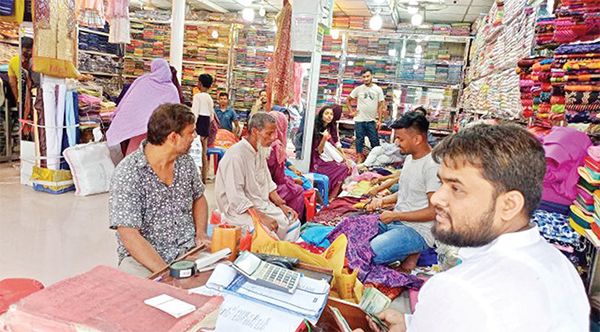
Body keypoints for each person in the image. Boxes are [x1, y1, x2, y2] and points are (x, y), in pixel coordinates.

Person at [358, 124, 589, 332]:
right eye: (442, 183)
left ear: (509, 205)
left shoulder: (460, 289)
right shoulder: (559, 265)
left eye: (456, 188)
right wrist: (412, 325)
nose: (437, 198)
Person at [109, 104, 211, 278]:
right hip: (144, 259)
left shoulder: (185, 163)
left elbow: (199, 198)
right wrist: (166, 273)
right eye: (191, 132)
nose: (195, 137)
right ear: (173, 137)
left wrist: (201, 233)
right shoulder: (128, 172)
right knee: (145, 297)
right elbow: (129, 235)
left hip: (186, 250)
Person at [366, 113, 439, 271]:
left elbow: (434, 212)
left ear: (417, 139)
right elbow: (407, 193)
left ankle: (411, 253)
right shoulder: (411, 159)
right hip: (396, 222)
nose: (397, 143)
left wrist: (395, 215)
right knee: (351, 234)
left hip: (416, 230)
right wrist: (382, 201)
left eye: (400, 139)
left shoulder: (432, 166)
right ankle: (405, 255)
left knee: (371, 253)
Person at [215, 113, 300, 241]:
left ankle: (282, 257)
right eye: (269, 133)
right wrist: (260, 217)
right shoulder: (236, 156)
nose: (273, 138)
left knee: (294, 223)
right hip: (238, 212)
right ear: (255, 131)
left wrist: (281, 205)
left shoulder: (259, 150)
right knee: (267, 234)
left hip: (261, 205)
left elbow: (268, 181)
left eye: (274, 133)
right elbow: (236, 198)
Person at [106, 58, 181, 156]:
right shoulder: (171, 89)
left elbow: (129, 100)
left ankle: (131, 170)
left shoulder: (144, 81)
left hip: (138, 127)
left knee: (134, 155)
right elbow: (177, 112)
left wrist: (119, 112)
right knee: (155, 157)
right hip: (160, 130)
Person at [267, 111, 305, 217]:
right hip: (269, 188)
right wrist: (292, 180)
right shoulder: (276, 146)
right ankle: (292, 219)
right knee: (298, 190)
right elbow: (279, 179)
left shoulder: (262, 141)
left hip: (258, 185)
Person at [311, 105, 352, 201]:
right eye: (326, 114)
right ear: (321, 115)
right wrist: (324, 139)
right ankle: (330, 195)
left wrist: (346, 159)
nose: (329, 116)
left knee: (346, 165)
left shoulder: (329, 128)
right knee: (342, 168)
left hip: (326, 157)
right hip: (317, 161)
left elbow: (334, 146)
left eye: (331, 114)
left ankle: (332, 194)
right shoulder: (316, 129)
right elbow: (318, 151)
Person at [346, 68, 385, 163]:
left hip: (371, 120)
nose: (366, 79)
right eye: (364, 77)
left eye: (368, 76)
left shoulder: (378, 89)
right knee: (359, 140)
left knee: (374, 141)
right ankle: (360, 158)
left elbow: (381, 106)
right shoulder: (358, 89)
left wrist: (380, 120)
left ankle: (376, 159)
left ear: (372, 76)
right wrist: (351, 112)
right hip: (359, 119)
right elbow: (348, 100)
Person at [191, 73, 215, 182]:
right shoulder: (210, 98)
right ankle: (204, 177)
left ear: (199, 84)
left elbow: (194, 113)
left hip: (198, 123)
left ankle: (196, 176)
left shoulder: (197, 96)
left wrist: (193, 126)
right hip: (206, 125)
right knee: (204, 152)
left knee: (195, 150)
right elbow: (211, 116)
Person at [8, 37, 32, 104]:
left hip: (22, 96)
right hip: (35, 95)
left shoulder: (14, 61)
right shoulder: (37, 61)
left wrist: (17, 99)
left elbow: (13, 83)